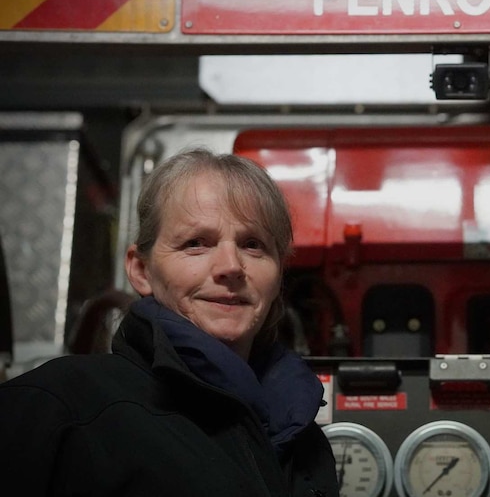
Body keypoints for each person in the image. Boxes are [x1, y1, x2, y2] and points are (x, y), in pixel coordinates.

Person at [0, 148, 339, 496]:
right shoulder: (56, 407)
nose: (231, 266)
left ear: (278, 273)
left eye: (253, 245)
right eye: (196, 243)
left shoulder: (306, 440)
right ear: (141, 270)